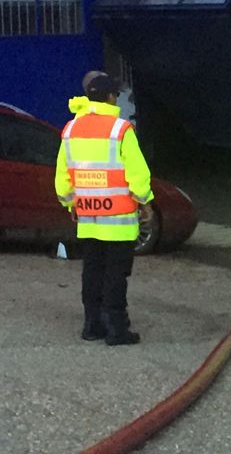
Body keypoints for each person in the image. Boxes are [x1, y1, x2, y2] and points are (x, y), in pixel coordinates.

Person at [55, 74, 154, 346]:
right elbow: (138, 175)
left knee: (92, 271)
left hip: (87, 218)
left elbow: (62, 179)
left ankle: (92, 325)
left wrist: (70, 203)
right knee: (116, 274)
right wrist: (144, 202)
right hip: (119, 221)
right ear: (112, 97)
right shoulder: (120, 130)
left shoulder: (71, 129)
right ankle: (116, 329)